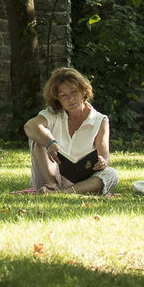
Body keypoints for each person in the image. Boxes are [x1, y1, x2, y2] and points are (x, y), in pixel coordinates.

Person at [18, 66, 117, 196]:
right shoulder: (53, 113)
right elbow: (30, 126)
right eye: (63, 95)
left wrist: (102, 163)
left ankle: (63, 193)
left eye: (73, 92)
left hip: (83, 181)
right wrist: (50, 143)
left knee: (112, 174)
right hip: (49, 175)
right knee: (38, 141)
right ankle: (52, 186)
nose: (70, 99)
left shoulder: (99, 120)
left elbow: (104, 156)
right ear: (57, 99)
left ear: (83, 91)